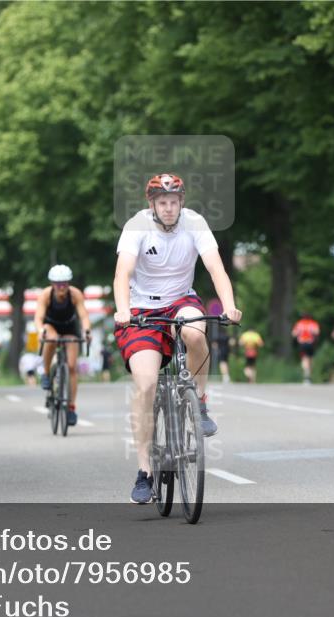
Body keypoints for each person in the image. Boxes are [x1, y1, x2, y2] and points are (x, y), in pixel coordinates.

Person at [113, 173, 242, 504]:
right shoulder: (137, 226)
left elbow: (216, 269)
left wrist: (229, 306)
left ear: (181, 203)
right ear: (152, 204)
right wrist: (124, 310)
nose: (169, 208)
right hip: (142, 308)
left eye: (174, 202)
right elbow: (122, 274)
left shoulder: (195, 223)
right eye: (162, 203)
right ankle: (145, 472)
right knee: (145, 384)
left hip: (181, 300)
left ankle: (199, 401)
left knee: (196, 332)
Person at [34, 264, 92, 426]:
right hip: (50, 325)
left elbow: (84, 316)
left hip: (69, 327)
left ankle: (71, 407)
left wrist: (87, 331)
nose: (61, 287)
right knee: (51, 339)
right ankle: (46, 373)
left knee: (72, 367)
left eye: (65, 284)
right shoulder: (46, 295)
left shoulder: (75, 295)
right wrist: (40, 331)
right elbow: (38, 317)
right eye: (58, 284)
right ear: (52, 284)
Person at [291, 311, 321, 384]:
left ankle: (306, 375)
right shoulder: (313, 323)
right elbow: (317, 332)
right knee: (310, 359)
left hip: (302, 343)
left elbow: (293, 334)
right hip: (311, 343)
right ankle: (308, 375)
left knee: (304, 359)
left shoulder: (299, 324)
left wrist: (299, 335)